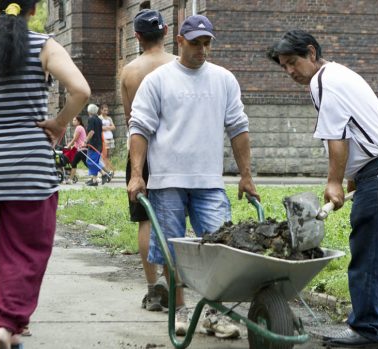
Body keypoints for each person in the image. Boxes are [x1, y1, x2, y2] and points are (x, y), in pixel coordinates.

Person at [0, 1, 90, 348]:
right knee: (26, 250)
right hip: (29, 170)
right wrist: (60, 122)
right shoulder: (45, 46)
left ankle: (4, 323)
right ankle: (8, 323)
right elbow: (81, 90)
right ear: (33, 9)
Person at [267, 30, 378, 348]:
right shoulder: (339, 75)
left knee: (369, 253)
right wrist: (352, 177)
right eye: (283, 66)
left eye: (293, 62)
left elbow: (338, 137)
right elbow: (358, 127)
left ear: (311, 53)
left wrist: (333, 181)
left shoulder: (324, 82)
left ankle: (366, 329)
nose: (290, 71)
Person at [127, 14, 259, 338]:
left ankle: (215, 312)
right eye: (196, 43)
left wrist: (246, 175)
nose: (202, 50)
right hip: (167, 180)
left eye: (207, 43)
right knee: (175, 251)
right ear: (180, 42)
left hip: (209, 181)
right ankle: (181, 308)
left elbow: (238, 128)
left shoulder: (224, 79)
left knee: (219, 248)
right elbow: (139, 128)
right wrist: (135, 175)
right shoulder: (158, 81)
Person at [119, 8, 175, 313]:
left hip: (142, 152)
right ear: (166, 32)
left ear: (137, 36)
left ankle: (153, 288)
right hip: (174, 150)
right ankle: (172, 282)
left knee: (145, 219)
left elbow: (131, 119)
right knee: (173, 217)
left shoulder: (129, 71)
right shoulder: (178, 65)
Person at [84, 103, 106, 186]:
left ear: (89, 111)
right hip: (99, 143)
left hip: (93, 144)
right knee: (94, 161)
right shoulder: (99, 119)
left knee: (89, 161)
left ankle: (104, 174)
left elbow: (91, 131)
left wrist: (85, 141)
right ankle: (94, 180)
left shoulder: (91, 119)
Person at [65, 115, 87, 184]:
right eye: (73, 120)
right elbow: (78, 140)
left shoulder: (78, 128)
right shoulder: (80, 127)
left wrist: (69, 145)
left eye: (75, 120)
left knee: (76, 163)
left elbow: (75, 139)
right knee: (75, 163)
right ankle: (70, 179)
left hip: (81, 149)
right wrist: (73, 146)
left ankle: (98, 176)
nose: (73, 121)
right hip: (81, 149)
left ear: (78, 122)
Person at [99, 104, 116, 175]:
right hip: (103, 138)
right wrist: (108, 127)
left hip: (110, 137)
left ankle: (108, 169)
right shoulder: (99, 118)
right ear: (101, 110)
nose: (106, 112)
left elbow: (114, 127)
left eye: (107, 110)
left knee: (108, 155)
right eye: (104, 110)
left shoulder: (109, 118)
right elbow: (100, 128)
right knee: (104, 155)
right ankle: (106, 170)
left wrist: (106, 127)